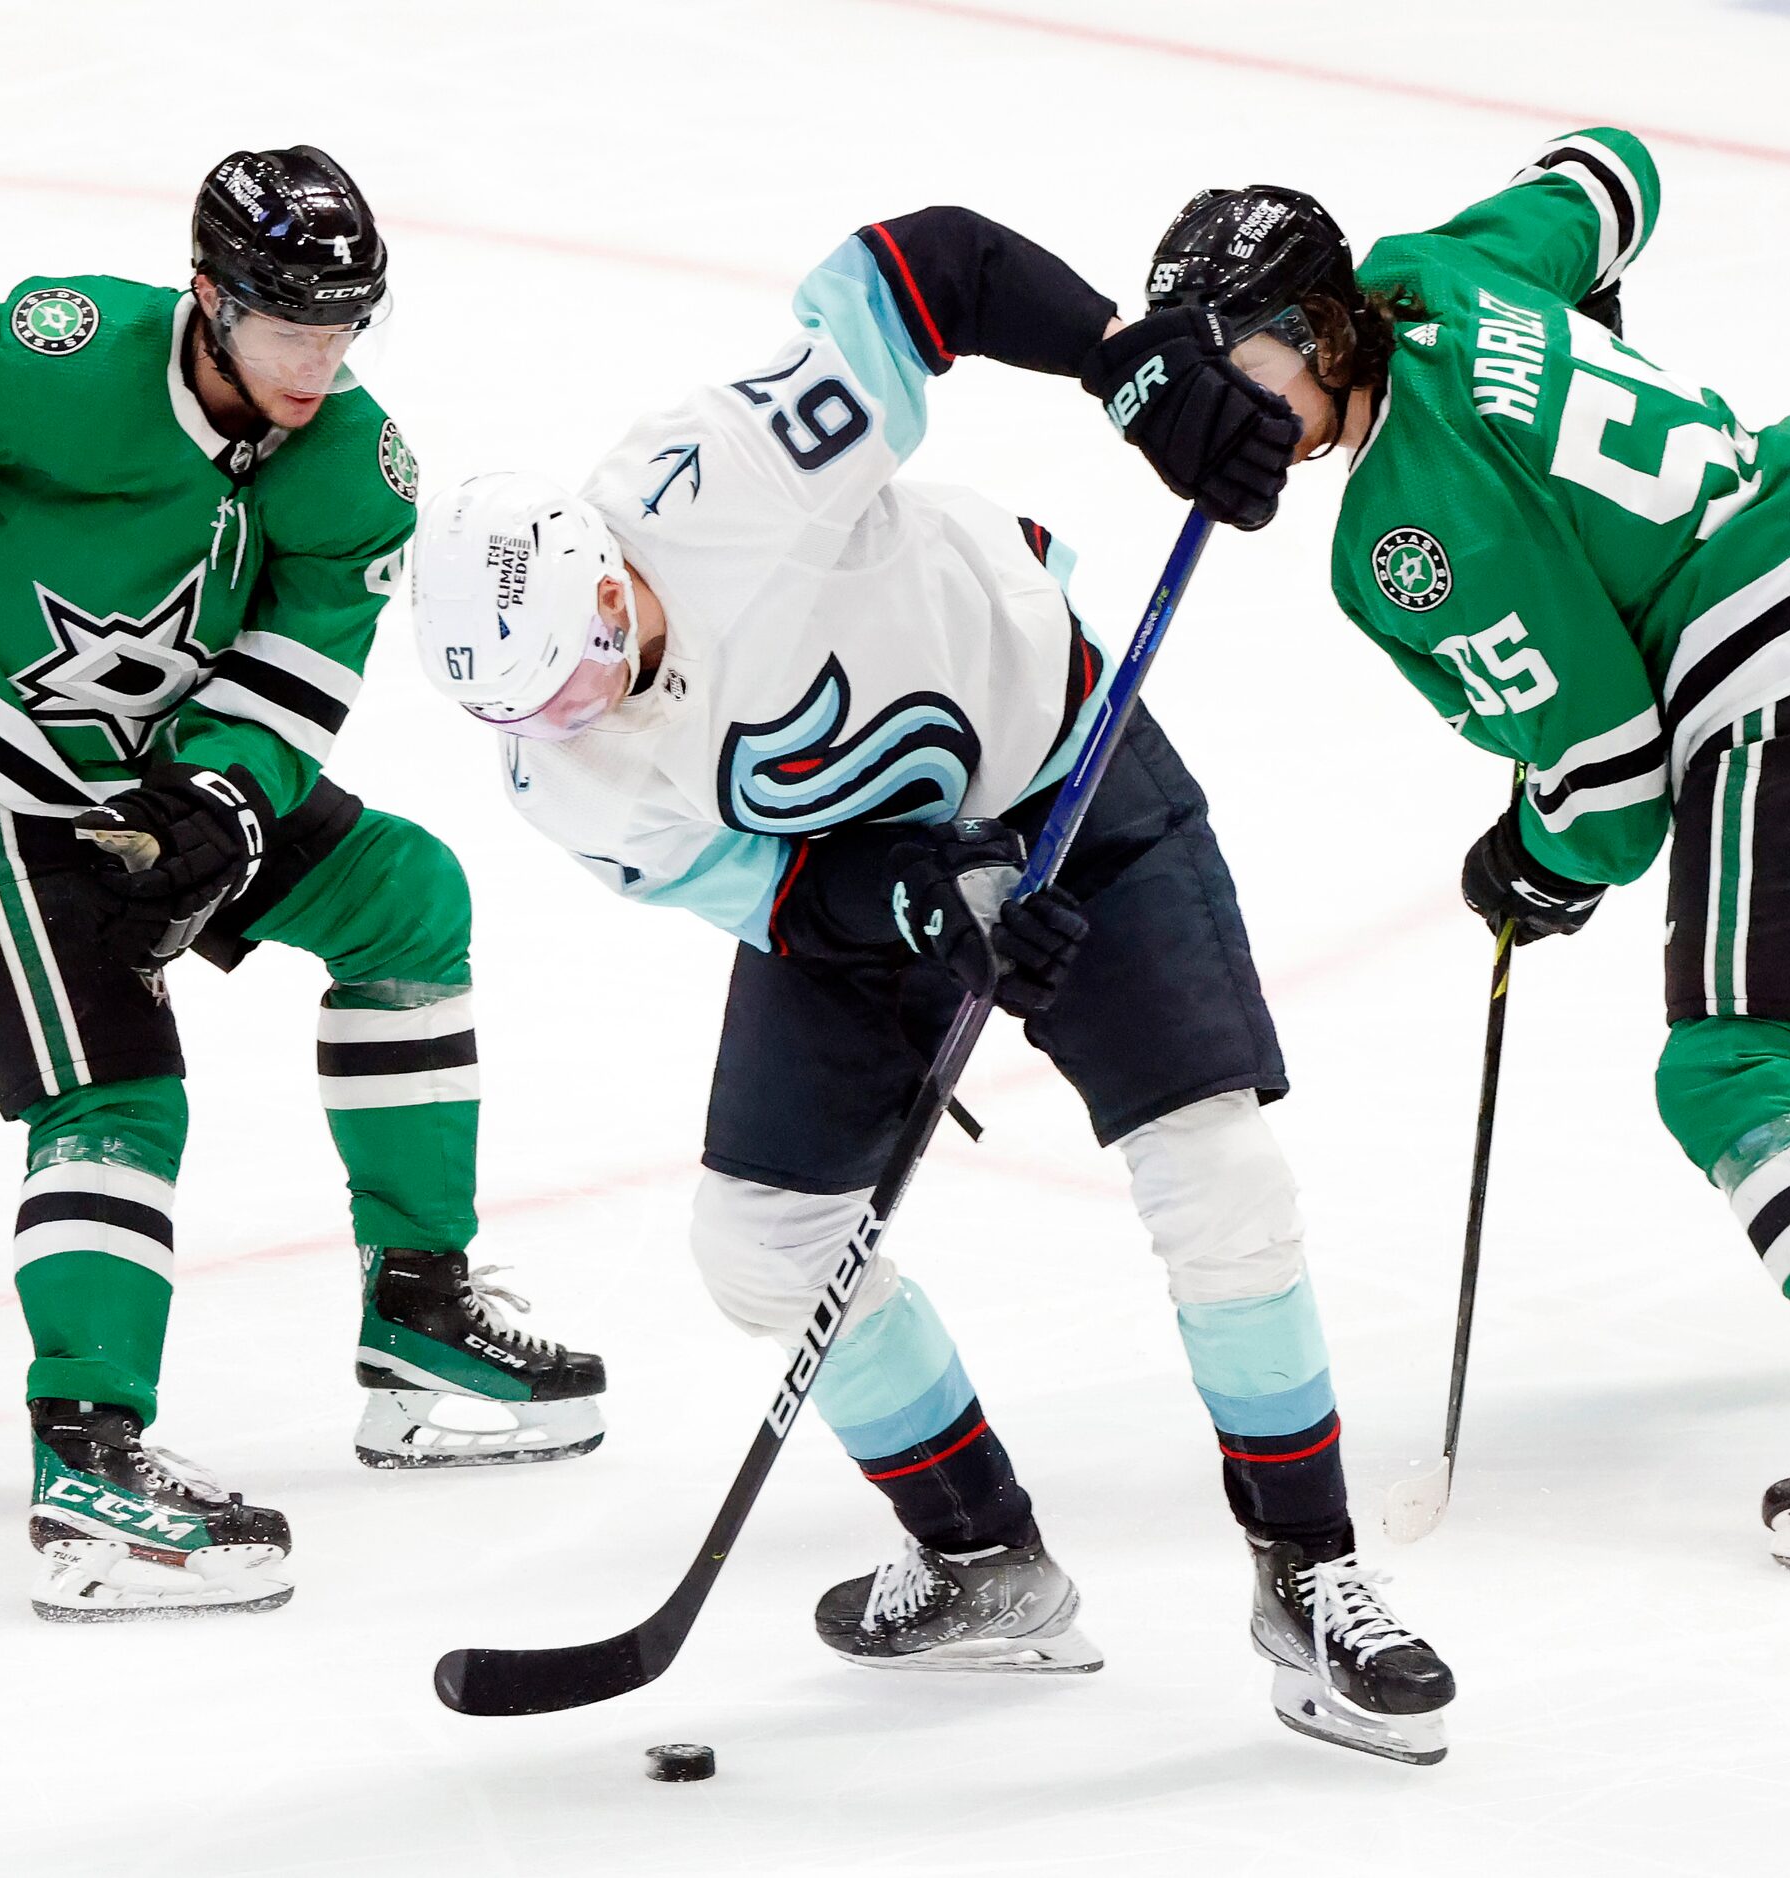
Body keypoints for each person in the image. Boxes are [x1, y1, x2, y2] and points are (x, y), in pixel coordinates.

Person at [407, 209, 1454, 1762]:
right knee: (760, 1244)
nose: (581, 706)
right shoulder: (566, 780)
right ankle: (979, 1555)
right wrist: (936, 911)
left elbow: (932, 271)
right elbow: (786, 899)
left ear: (604, 570)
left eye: (582, 662)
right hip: (869, 863)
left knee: (1215, 1172)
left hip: (1065, 756)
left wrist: (1129, 367)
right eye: (540, 704)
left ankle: (1312, 1573)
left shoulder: (717, 477)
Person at [1105, 132, 1790, 1571]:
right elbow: (1611, 175)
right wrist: (1573, 327)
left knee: (1728, 1062)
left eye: (1237, 385)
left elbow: (1610, 775)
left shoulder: (1404, 533)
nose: (1226, 427)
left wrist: (1533, 857)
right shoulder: (1432, 271)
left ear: (1308, 329)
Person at [0, 146, 605, 1622]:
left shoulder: (357, 467)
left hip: (140, 788)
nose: (320, 359)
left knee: (406, 896)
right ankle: (88, 1465)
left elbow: (303, 666)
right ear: (209, 294)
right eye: (289, 322)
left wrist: (230, 798)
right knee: (117, 1094)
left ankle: (419, 1314)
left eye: (345, 325)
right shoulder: (62, 355)